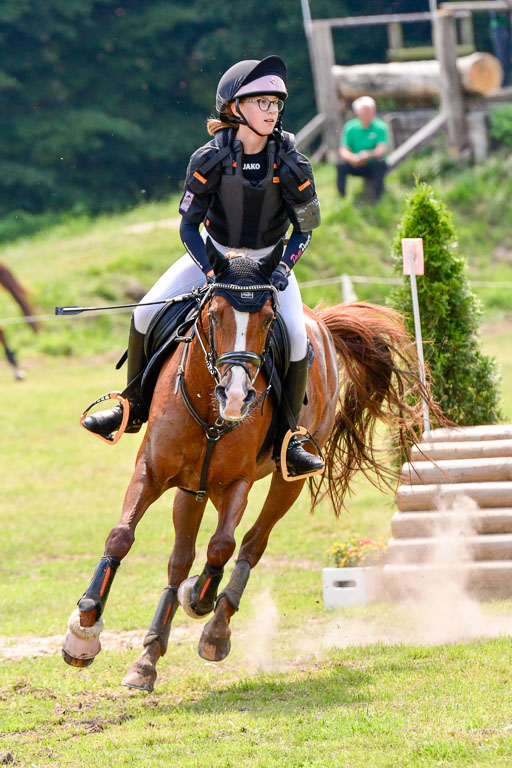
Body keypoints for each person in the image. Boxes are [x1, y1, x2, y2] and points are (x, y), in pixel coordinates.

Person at [82, 55, 324, 478]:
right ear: (235, 107)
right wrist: (213, 271)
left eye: (275, 103)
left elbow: (304, 231)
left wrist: (283, 268)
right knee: (144, 313)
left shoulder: (293, 164)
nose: (271, 110)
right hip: (214, 254)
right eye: (262, 102)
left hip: (269, 263)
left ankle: (289, 440)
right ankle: (131, 406)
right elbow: (188, 227)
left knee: (298, 340)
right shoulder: (208, 158)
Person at [336, 96, 390, 202]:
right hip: (355, 163)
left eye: (372, 110)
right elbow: (343, 150)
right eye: (367, 111)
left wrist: (367, 155)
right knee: (341, 164)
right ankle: (341, 197)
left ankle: (377, 198)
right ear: (358, 113)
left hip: (371, 163)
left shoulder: (380, 126)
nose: (371, 113)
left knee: (380, 163)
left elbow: (382, 149)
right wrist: (353, 158)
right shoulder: (350, 127)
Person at [489, 9, 512, 87]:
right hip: (502, 27)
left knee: (505, 60)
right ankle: (503, 87)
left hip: (505, 27)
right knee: (503, 61)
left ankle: (504, 86)